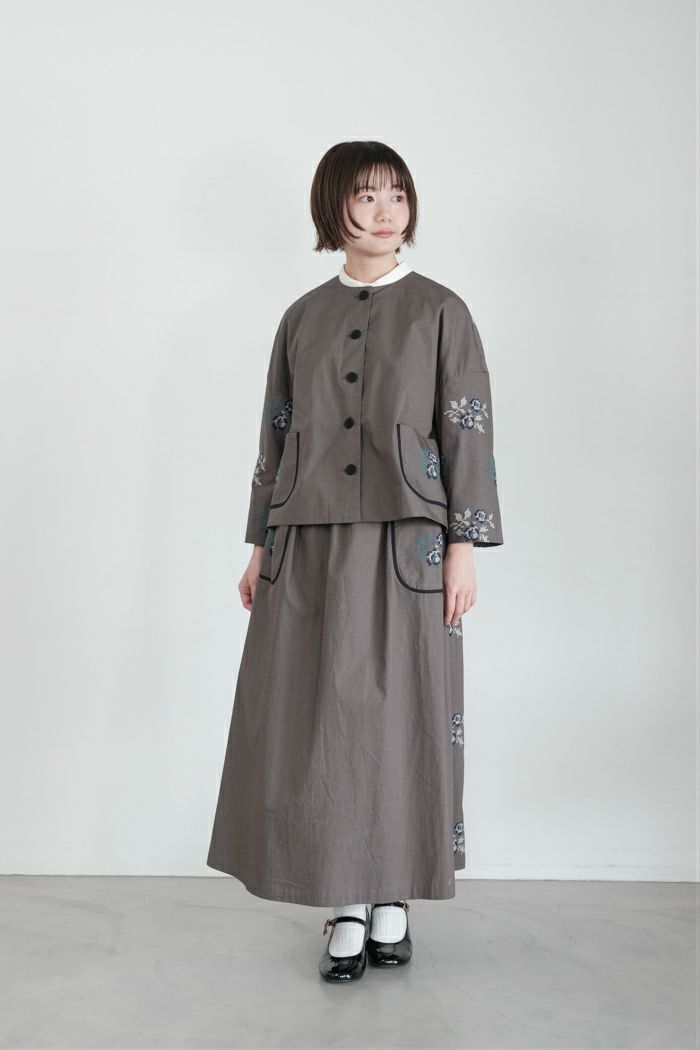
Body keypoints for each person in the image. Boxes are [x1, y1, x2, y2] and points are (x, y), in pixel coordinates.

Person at [206, 140, 504, 983]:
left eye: (397, 195)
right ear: (332, 206)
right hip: (307, 542)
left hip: (409, 543)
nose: (385, 211)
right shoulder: (301, 317)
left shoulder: (442, 310)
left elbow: (468, 430)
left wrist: (463, 547)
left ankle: (391, 895)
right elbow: (275, 432)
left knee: (402, 718)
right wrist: (258, 544)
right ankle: (342, 900)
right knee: (316, 725)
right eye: (367, 195)